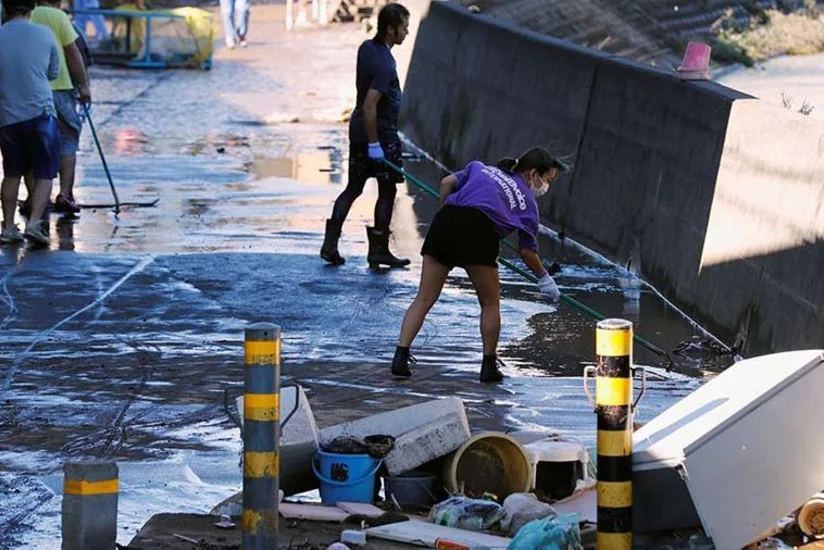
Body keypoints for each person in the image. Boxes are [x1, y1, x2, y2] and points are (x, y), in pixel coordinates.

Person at [390, 147, 568, 383]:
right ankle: (488, 366)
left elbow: (446, 183)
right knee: (490, 303)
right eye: (547, 179)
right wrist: (544, 278)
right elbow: (526, 250)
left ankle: (400, 356)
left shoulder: (481, 169)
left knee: (423, 298)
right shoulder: (528, 205)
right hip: (481, 232)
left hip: (445, 223)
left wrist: (446, 215)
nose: (546, 186)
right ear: (533, 173)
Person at [320, 3, 410, 269]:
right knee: (387, 189)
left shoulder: (366, 48)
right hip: (379, 135)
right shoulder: (385, 62)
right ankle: (379, 249)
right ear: (391, 29)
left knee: (353, 187)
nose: (406, 33)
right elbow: (371, 104)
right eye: (403, 28)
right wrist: (375, 145)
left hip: (358, 130)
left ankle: (330, 244)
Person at [0, 0, 61, 245]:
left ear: (5, 8)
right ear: (31, 8)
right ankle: (34, 223)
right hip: (40, 113)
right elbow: (53, 73)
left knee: (12, 173)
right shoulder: (44, 34)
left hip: (7, 116)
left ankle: (7, 227)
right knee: (45, 172)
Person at [28, 0, 92, 216]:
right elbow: (73, 52)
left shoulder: (24, 16)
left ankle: (35, 197)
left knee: (33, 143)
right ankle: (65, 193)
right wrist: (84, 86)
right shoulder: (59, 17)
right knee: (67, 141)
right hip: (61, 88)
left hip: (30, 90)